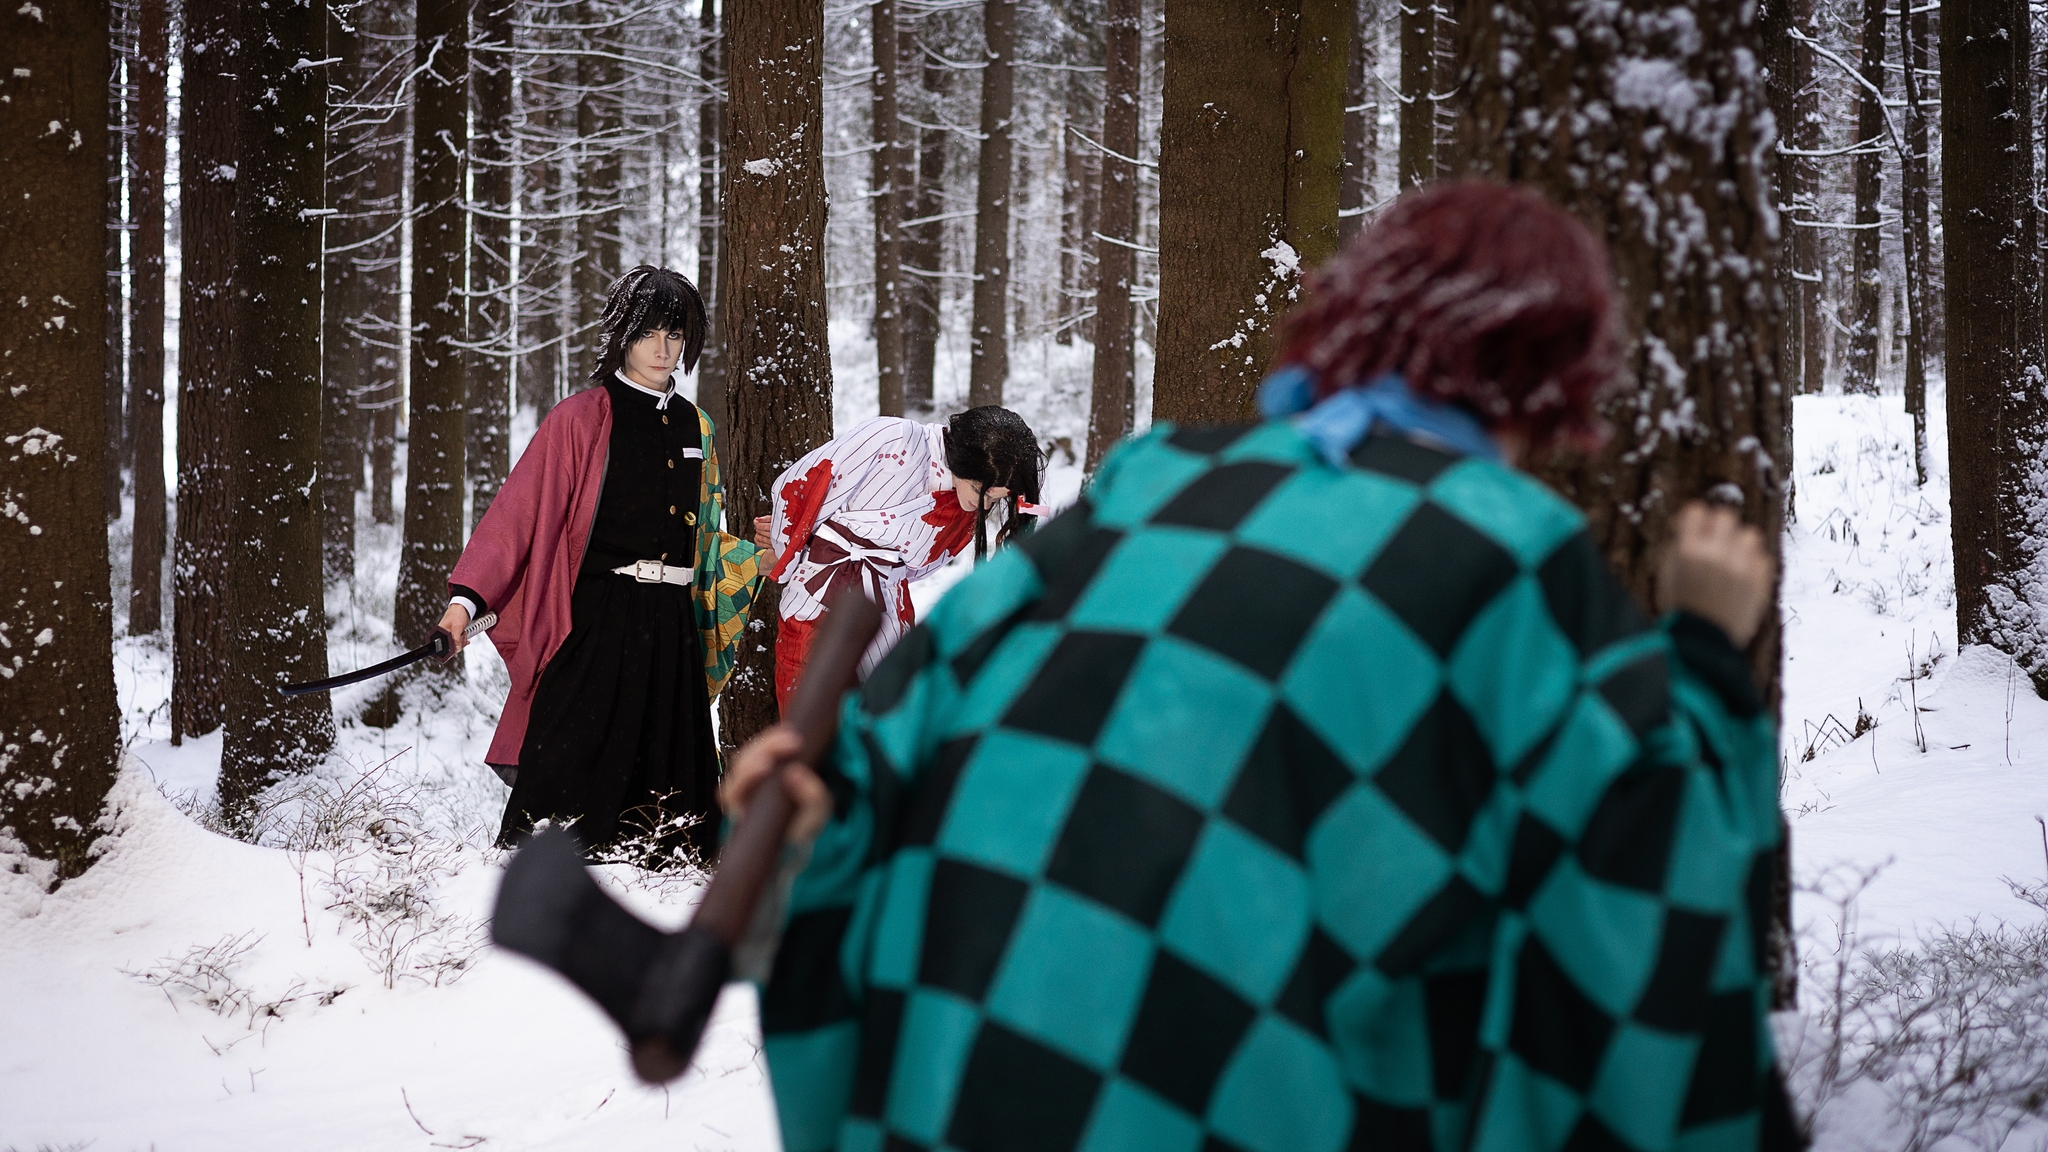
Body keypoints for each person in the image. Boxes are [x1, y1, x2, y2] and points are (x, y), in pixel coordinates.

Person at [723, 183, 1801, 1152]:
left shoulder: (1146, 489)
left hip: (967, 1092)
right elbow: (1638, 892)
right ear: (1549, 379)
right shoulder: (1507, 555)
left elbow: (875, 775)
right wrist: (1708, 662)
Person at [438, 266, 764, 863]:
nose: (663, 349)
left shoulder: (698, 426)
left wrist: (759, 555)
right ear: (622, 334)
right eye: (648, 333)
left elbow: (706, 542)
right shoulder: (581, 418)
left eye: (675, 334)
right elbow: (517, 516)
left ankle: (661, 870)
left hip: (672, 626)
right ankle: (546, 872)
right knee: (567, 773)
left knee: (672, 799)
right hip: (594, 620)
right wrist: (466, 602)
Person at [753, 406, 1044, 711]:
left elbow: (918, 569)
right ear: (962, 456)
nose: (983, 506)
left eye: (995, 499)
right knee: (808, 711)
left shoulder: (964, 511)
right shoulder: (894, 438)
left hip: (888, 611)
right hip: (817, 596)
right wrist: (790, 544)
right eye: (978, 490)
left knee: (880, 715)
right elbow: (806, 482)